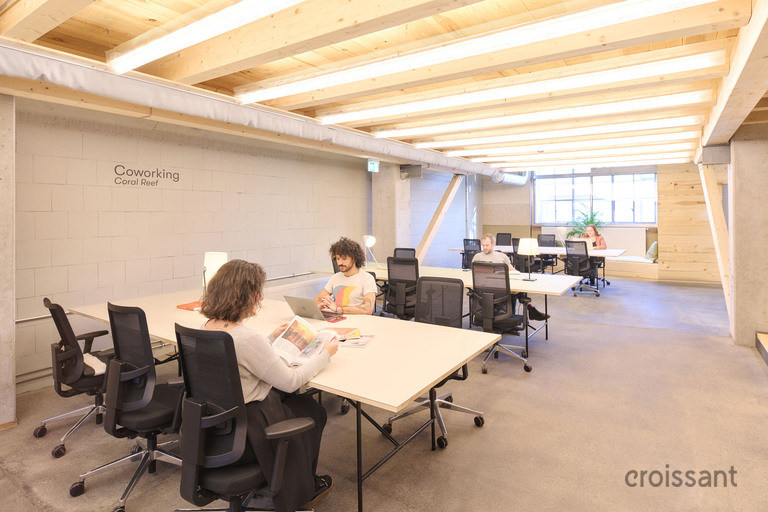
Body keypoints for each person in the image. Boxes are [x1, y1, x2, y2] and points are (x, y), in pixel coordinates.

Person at [200, 259, 338, 511]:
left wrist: (271, 339)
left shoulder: (207, 327)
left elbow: (238, 353)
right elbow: (290, 381)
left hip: (219, 425)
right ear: (243, 295)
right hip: (250, 431)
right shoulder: (246, 338)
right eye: (258, 291)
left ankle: (298, 482)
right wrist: (325, 354)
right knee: (311, 410)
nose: (261, 297)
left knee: (299, 404)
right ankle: (301, 490)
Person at [472, 233, 550, 321]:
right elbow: (474, 272)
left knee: (515, 289)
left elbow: (512, 270)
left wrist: (521, 276)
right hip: (484, 286)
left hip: (499, 286)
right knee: (513, 293)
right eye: (483, 245)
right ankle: (529, 309)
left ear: (493, 244)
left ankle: (519, 314)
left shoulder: (502, 256)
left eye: (487, 245)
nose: (485, 247)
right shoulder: (477, 257)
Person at [314, 236, 377, 315]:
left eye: (344, 259)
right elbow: (317, 299)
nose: (340, 263)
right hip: (338, 317)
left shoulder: (367, 278)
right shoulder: (335, 277)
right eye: (338, 259)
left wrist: (338, 309)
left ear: (354, 258)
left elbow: (368, 309)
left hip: (357, 319)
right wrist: (320, 304)